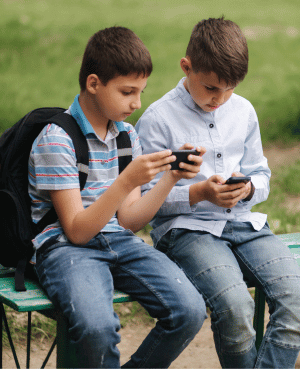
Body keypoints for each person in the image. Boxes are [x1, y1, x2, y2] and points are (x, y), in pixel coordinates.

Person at [28, 26, 207, 368]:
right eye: (127, 92)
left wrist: (170, 177)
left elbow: (129, 220)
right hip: (65, 247)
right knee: (97, 328)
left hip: (118, 240)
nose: (137, 103)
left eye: (141, 92)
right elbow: (77, 231)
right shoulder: (56, 139)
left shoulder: (126, 136)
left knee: (189, 309)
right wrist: (125, 182)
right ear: (94, 84)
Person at [136, 17, 300, 369]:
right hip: (187, 232)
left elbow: (262, 174)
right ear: (186, 66)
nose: (220, 99)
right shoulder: (157, 120)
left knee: (296, 298)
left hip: (245, 225)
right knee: (236, 306)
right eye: (211, 88)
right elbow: (144, 203)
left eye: (229, 89)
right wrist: (196, 193)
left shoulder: (242, 111)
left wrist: (249, 188)